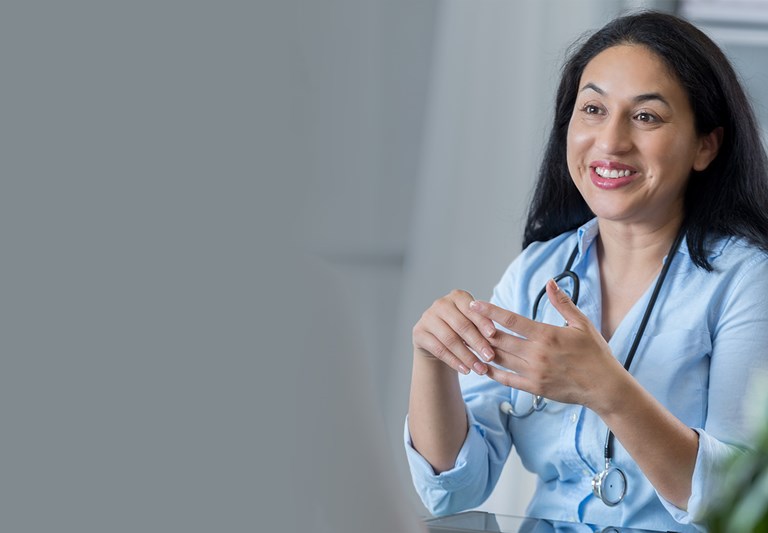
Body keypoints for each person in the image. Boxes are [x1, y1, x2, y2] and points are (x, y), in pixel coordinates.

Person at [405, 11, 768, 532]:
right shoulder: (537, 272)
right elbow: (453, 489)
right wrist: (432, 360)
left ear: (705, 145)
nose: (611, 141)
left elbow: (742, 505)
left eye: (646, 117)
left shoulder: (746, 279)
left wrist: (610, 391)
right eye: (593, 109)